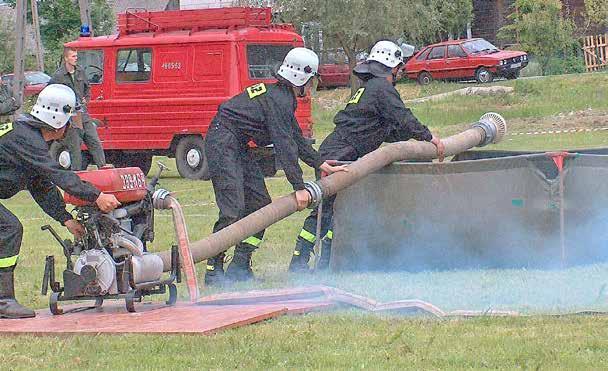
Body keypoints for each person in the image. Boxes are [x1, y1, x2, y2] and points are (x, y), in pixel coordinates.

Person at [288, 40, 445, 273]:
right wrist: (428, 137)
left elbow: (387, 129)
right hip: (339, 156)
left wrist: (414, 142)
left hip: (341, 151)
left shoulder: (370, 89)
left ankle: (325, 263)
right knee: (326, 210)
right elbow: (402, 116)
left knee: (339, 211)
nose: (398, 73)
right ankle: (300, 264)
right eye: (398, 68)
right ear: (392, 67)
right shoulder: (382, 88)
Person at [204, 47, 347, 285]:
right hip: (222, 141)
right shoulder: (279, 99)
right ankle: (213, 269)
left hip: (237, 143)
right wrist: (299, 187)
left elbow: (296, 138)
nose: (312, 86)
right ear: (302, 77)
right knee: (232, 209)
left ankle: (240, 264)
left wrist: (320, 163)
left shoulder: (282, 97)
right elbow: (284, 146)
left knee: (260, 203)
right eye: (311, 80)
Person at [0, 84, 121, 319]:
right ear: (57, 119)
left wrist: (65, 219)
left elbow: (40, 184)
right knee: (9, 228)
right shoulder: (26, 140)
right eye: (71, 117)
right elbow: (59, 175)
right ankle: (3, 301)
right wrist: (97, 196)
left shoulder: (28, 138)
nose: (74, 124)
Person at [50, 47, 106, 170]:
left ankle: (103, 168)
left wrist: (86, 99)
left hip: (83, 113)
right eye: (73, 56)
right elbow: (51, 94)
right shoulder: (58, 76)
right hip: (69, 116)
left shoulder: (80, 71)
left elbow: (87, 88)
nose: (76, 58)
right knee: (75, 147)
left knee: (94, 141)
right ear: (66, 58)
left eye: (76, 56)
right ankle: (76, 174)